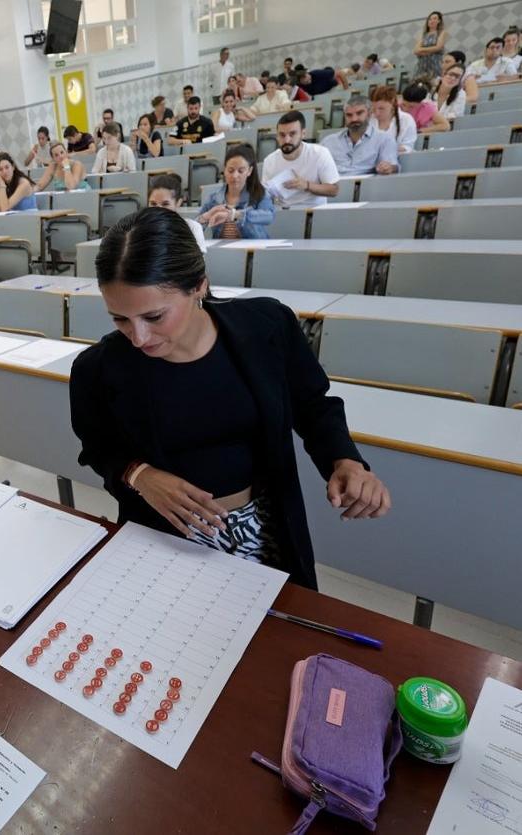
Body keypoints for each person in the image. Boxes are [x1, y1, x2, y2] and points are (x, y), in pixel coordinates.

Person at [69, 208, 390, 588]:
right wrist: (141, 475)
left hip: (266, 528)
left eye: (154, 317)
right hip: (164, 535)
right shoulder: (99, 369)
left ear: (199, 286)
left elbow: (312, 404)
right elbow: (99, 447)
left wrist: (345, 460)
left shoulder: (266, 326)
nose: (138, 337)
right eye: (120, 319)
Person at [260, 111, 340, 209]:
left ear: (303, 134)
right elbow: (266, 195)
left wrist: (306, 185)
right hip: (282, 212)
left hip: (313, 210)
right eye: (282, 135)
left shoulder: (319, 153)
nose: (286, 140)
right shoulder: (269, 160)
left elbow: (334, 190)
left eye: (292, 134)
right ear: (277, 136)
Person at [198, 144, 274, 239]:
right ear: (224, 170)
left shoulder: (260, 193)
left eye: (241, 171)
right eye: (230, 170)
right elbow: (194, 229)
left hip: (253, 250)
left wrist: (235, 214)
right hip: (222, 251)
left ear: (249, 171)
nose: (235, 176)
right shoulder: (213, 198)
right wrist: (206, 216)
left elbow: (269, 216)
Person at [320, 95, 399, 175]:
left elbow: (392, 166)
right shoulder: (328, 142)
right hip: (333, 185)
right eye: (349, 115)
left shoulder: (384, 139)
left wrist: (388, 168)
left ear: (369, 114)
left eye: (359, 113)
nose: (354, 119)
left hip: (367, 185)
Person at [146, 173, 208, 253]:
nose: (158, 209)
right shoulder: (139, 230)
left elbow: (198, 263)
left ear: (178, 203)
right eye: (153, 204)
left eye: (165, 204)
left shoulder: (193, 227)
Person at [371, 85, 417, 155]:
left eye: (381, 108)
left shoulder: (406, 120)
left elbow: (407, 147)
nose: (377, 113)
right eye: (374, 109)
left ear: (392, 103)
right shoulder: (369, 119)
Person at [414, 11, 448, 81]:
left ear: (439, 21)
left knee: (435, 85)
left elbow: (438, 47)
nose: (432, 21)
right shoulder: (423, 34)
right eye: (430, 19)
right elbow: (416, 51)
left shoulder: (442, 32)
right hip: (422, 65)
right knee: (419, 87)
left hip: (436, 65)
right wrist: (432, 50)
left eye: (435, 18)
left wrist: (422, 50)